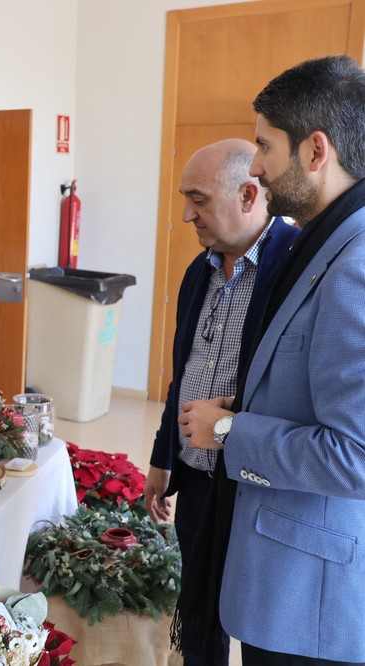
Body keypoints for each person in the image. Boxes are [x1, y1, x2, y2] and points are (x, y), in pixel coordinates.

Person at [177, 55, 365, 665]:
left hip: (309, 600)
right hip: (285, 579)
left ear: (316, 151)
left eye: (264, 145)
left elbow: (357, 456)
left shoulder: (355, 265)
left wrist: (230, 430)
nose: (254, 166)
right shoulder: (330, 242)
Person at [145, 138, 298, 666]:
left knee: (258, 623)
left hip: (256, 486)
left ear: (250, 194)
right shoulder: (198, 272)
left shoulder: (295, 269)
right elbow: (182, 376)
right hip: (195, 479)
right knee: (199, 612)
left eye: (199, 199)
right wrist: (164, 458)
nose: (186, 214)